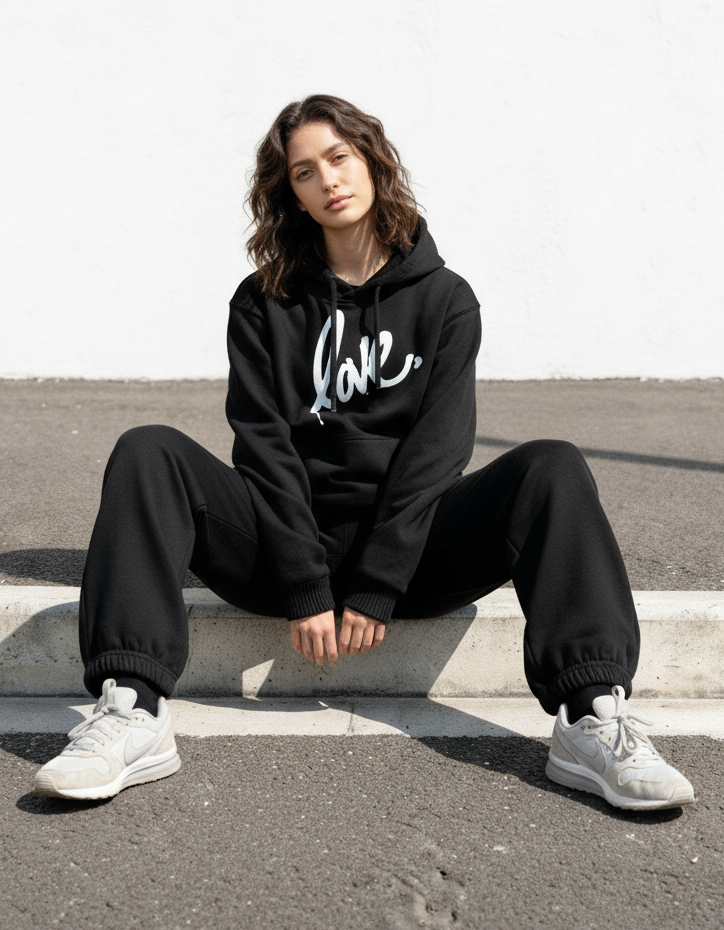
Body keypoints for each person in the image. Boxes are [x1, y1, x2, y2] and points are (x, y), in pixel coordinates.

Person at [33, 94, 694, 811]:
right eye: (304, 172)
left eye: (339, 158)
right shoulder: (263, 304)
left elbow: (435, 457)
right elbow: (264, 448)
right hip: (279, 551)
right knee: (147, 451)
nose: (328, 181)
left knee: (552, 466)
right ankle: (132, 708)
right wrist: (305, 582)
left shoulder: (446, 300)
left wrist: (378, 579)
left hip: (412, 560)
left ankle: (593, 718)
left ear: (372, 161)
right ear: (291, 193)